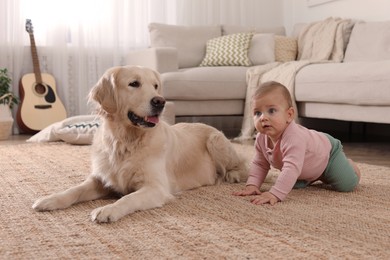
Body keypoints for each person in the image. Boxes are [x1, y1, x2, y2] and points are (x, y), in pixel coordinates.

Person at [233, 81, 361, 205]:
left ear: (289, 115)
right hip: (305, 166)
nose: (263, 117)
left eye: (271, 111)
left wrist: (275, 194)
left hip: (328, 155)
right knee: (290, 181)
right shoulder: (261, 138)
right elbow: (260, 164)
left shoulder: (294, 137)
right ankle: (314, 176)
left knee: (346, 185)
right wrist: (252, 185)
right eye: (257, 113)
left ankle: (348, 165)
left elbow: (291, 167)